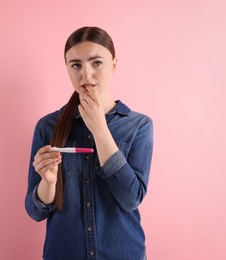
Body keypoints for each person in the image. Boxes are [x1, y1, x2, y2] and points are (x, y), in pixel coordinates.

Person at [25, 26, 153, 260]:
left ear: (113, 65)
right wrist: (49, 182)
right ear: (67, 68)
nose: (86, 74)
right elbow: (35, 211)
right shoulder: (47, 126)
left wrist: (100, 129)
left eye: (96, 63)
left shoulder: (139, 126)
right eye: (76, 65)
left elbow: (131, 198)